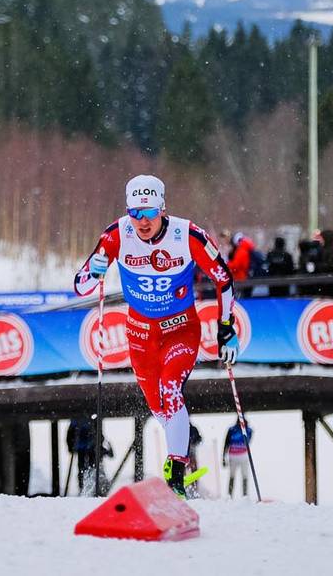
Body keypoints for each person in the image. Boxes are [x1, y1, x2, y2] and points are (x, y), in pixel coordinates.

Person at [73, 174, 236, 498]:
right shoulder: (116, 235)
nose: (143, 221)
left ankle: (175, 474)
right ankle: (180, 452)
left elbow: (224, 279)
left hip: (180, 329)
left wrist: (226, 327)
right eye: (135, 213)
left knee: (171, 389)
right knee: (158, 407)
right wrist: (94, 272)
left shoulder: (187, 235)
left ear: (163, 209)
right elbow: (80, 286)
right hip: (140, 334)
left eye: (149, 212)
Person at [66, 417, 112, 495]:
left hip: (88, 446)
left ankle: (87, 488)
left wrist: (70, 446)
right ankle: (87, 488)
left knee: (87, 468)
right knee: (90, 468)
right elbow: (70, 433)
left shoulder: (78, 420)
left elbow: (70, 433)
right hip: (87, 447)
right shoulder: (89, 419)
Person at [222, 419, 253, 498]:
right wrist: (223, 457)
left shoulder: (248, 430)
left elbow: (248, 440)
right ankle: (229, 495)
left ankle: (245, 495)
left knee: (245, 475)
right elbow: (226, 443)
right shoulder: (232, 430)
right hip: (233, 456)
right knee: (232, 476)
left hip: (243, 456)